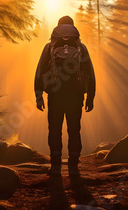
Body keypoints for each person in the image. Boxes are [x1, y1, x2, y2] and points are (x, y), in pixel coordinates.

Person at [34, 15, 96, 176]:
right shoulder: (81, 47)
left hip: (55, 94)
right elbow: (90, 72)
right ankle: (73, 164)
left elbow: (40, 71)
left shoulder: (50, 47)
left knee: (54, 129)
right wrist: (90, 96)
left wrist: (38, 94)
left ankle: (55, 164)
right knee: (74, 129)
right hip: (76, 95)